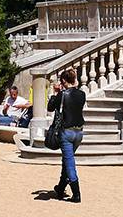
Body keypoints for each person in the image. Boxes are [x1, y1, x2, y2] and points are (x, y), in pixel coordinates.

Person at [47, 68, 85, 203]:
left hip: (66, 132)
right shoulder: (82, 94)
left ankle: (76, 193)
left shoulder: (62, 95)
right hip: (79, 132)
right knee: (67, 160)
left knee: (69, 163)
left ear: (63, 81)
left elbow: (50, 108)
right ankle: (61, 187)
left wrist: (55, 93)